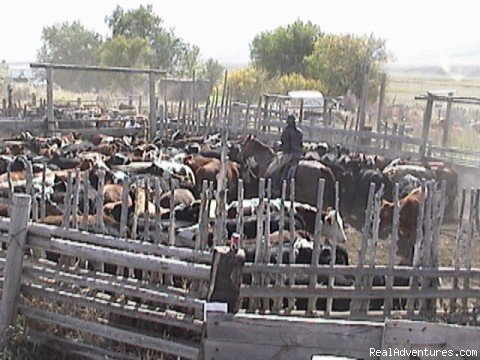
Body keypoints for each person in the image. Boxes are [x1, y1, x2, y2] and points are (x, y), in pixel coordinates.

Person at [265, 114, 303, 192]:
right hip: (299, 154)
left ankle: (274, 188)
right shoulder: (299, 132)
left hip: (289, 154)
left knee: (274, 169)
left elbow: (286, 147)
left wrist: (279, 147)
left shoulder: (286, 132)